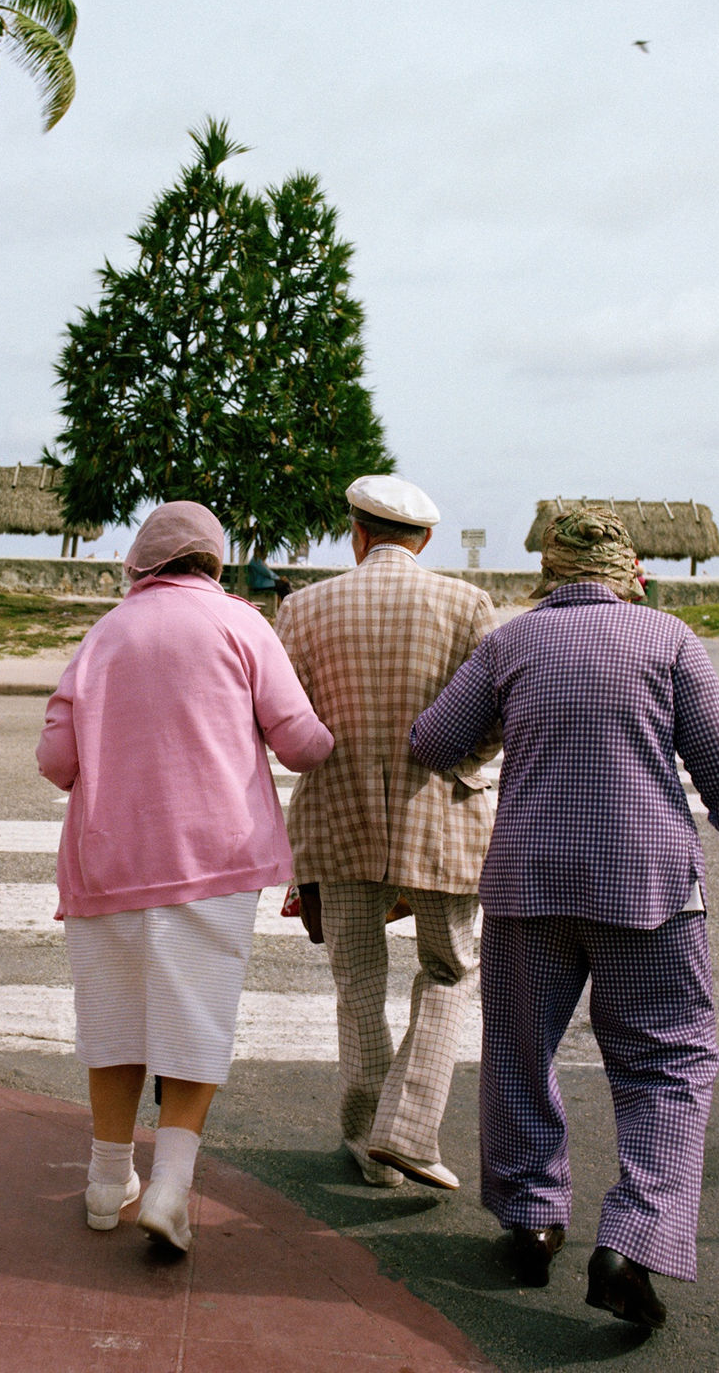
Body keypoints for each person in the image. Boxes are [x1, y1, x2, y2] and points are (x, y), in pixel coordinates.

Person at [409, 506, 719, 1329]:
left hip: (528, 884)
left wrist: (504, 728)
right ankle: (632, 1243)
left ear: (551, 573)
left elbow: (434, 741)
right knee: (667, 1059)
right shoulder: (669, 640)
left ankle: (533, 1217)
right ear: (626, 575)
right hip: (647, 888)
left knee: (519, 1049)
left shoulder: (509, 643)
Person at [36, 501, 333, 1251]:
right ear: (214, 559)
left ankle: (107, 1180)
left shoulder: (105, 633)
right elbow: (299, 744)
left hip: (109, 860)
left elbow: (56, 760)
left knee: (114, 1020)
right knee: (195, 1016)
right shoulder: (241, 624)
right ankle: (170, 1186)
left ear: (141, 562)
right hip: (215, 859)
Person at [273, 475, 500, 1190]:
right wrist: (462, 760)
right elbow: (496, 715)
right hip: (440, 813)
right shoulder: (466, 605)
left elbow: (283, 718)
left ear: (358, 533)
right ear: (424, 539)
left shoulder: (303, 608)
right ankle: (407, 1127)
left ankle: (370, 1142)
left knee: (357, 981)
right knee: (451, 969)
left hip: (335, 814)